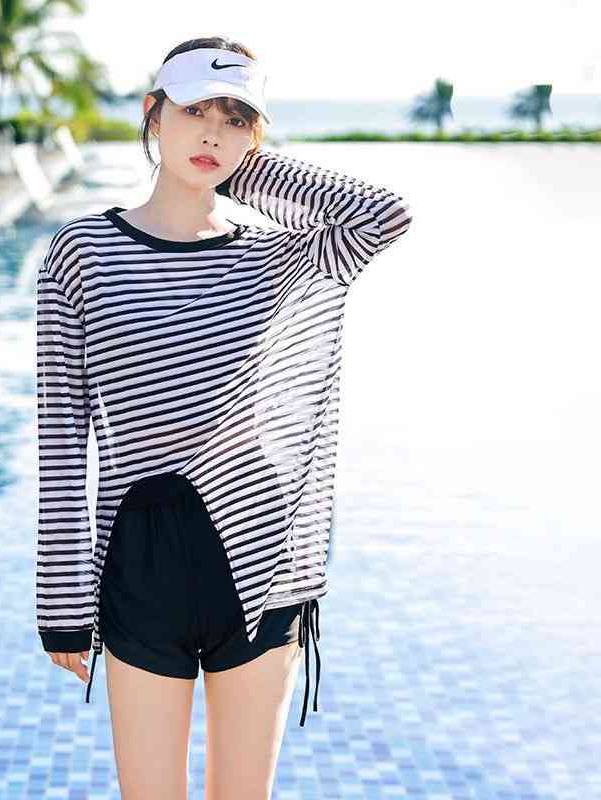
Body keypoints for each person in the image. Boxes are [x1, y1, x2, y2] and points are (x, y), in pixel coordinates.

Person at [36, 36, 413, 799]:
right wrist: (61, 602)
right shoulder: (82, 252)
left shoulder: (281, 258)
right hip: (140, 566)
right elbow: (61, 436)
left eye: (236, 118)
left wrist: (241, 170)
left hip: (265, 562)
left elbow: (384, 215)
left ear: (257, 136)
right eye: (193, 111)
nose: (211, 131)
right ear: (153, 113)